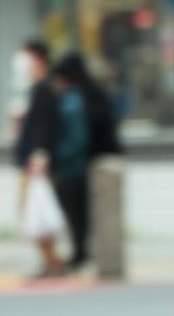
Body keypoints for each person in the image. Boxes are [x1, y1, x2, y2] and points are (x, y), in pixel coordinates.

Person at [50, 53, 120, 269]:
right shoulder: (92, 92)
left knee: (82, 212)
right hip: (96, 160)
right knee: (87, 214)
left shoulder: (77, 97)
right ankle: (90, 254)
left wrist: (61, 156)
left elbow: (80, 133)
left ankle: (85, 254)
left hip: (88, 162)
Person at [13, 41, 66, 277]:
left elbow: (44, 126)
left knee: (38, 214)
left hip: (37, 162)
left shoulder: (43, 89)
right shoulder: (35, 88)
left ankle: (52, 261)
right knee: (35, 213)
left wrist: (40, 153)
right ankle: (50, 260)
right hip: (31, 160)